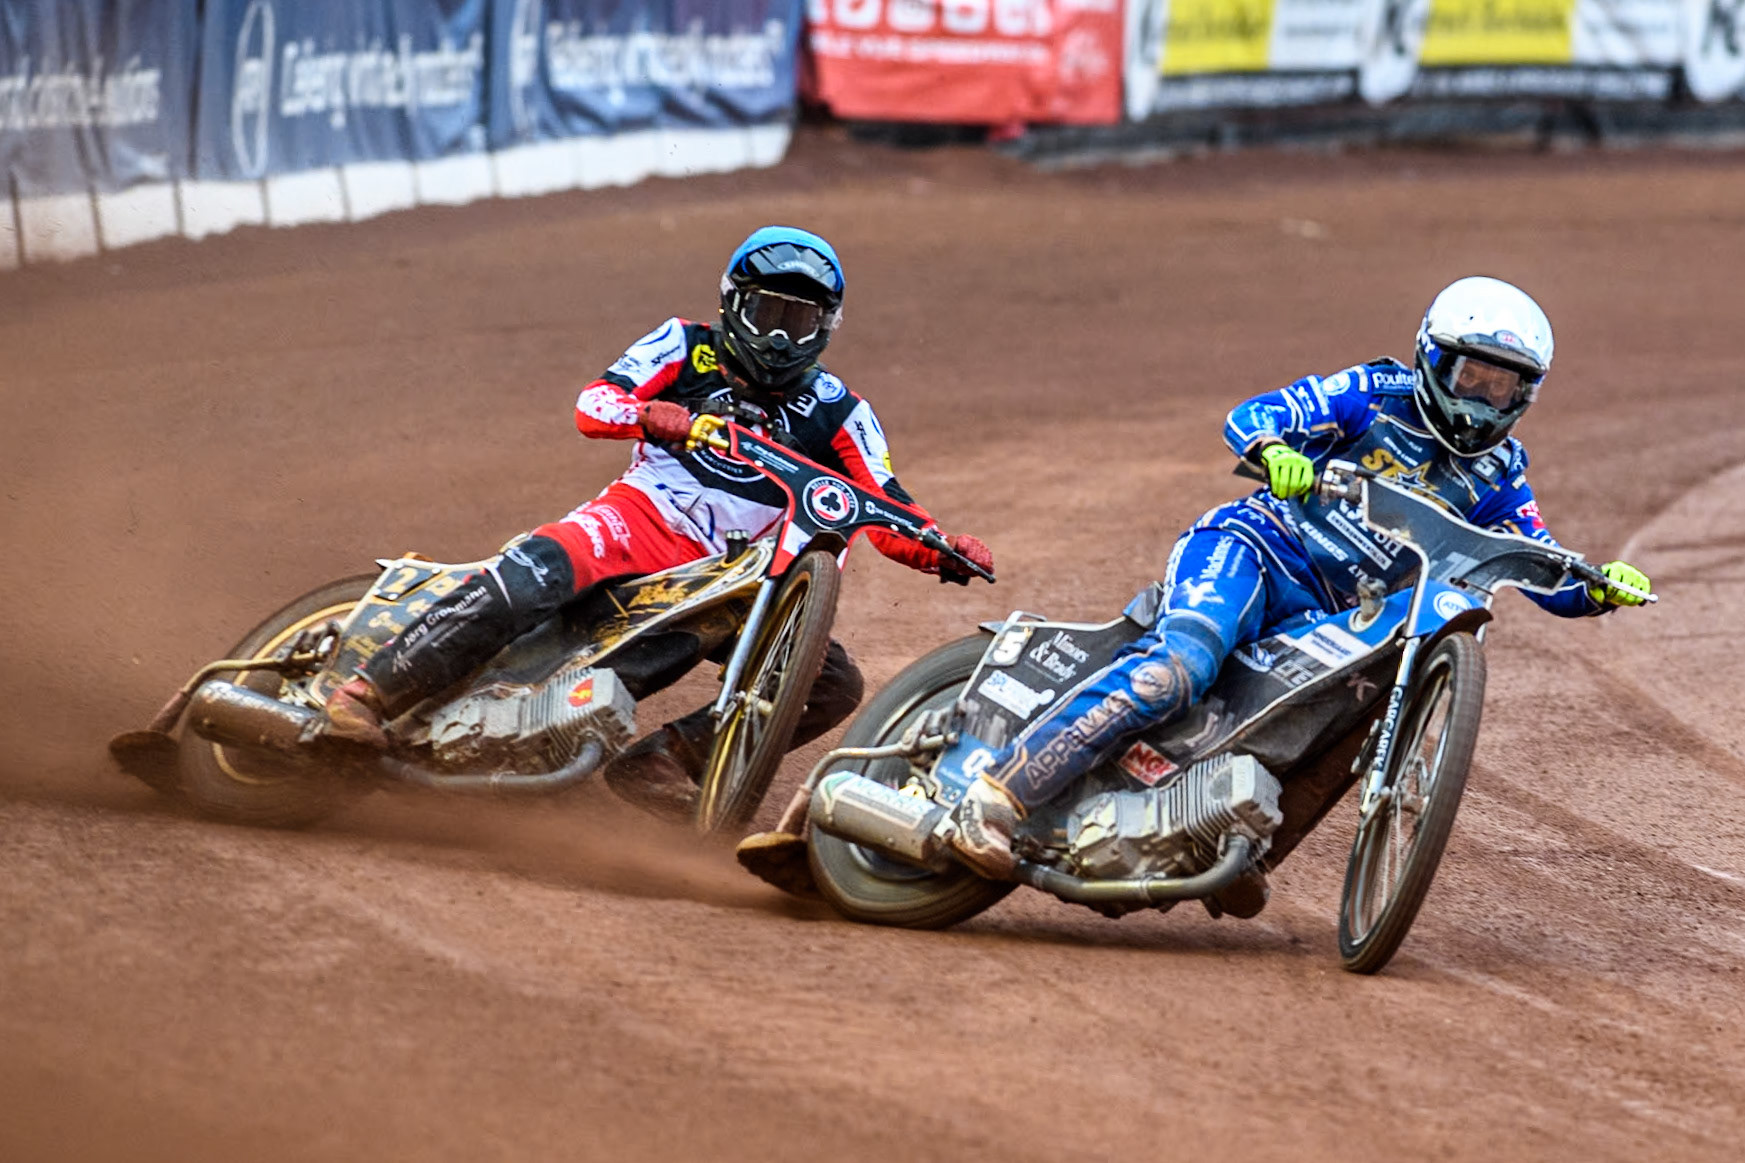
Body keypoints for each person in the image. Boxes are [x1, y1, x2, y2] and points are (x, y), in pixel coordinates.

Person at [947, 276, 1651, 884]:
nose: (1480, 402)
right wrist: (1276, 449)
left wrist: (1596, 585)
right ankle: (996, 797)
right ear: (1434, 360)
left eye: (1501, 387)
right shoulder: (1374, 393)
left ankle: (1232, 842)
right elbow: (1255, 414)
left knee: (1353, 707)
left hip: (1332, 617)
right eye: (1471, 377)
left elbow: (1536, 560)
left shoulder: (1500, 473)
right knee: (1179, 667)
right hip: (1255, 550)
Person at [321, 225, 994, 818]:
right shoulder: (684, 345)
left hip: (739, 570)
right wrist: (650, 415)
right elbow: (595, 402)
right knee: (543, 570)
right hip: (643, 516)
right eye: (767, 313)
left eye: (800, 318)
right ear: (733, 304)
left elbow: (884, 506)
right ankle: (368, 691)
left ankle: (662, 760)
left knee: (829, 680)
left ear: (827, 325)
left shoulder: (841, 410)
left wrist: (942, 548)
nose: (781, 334)